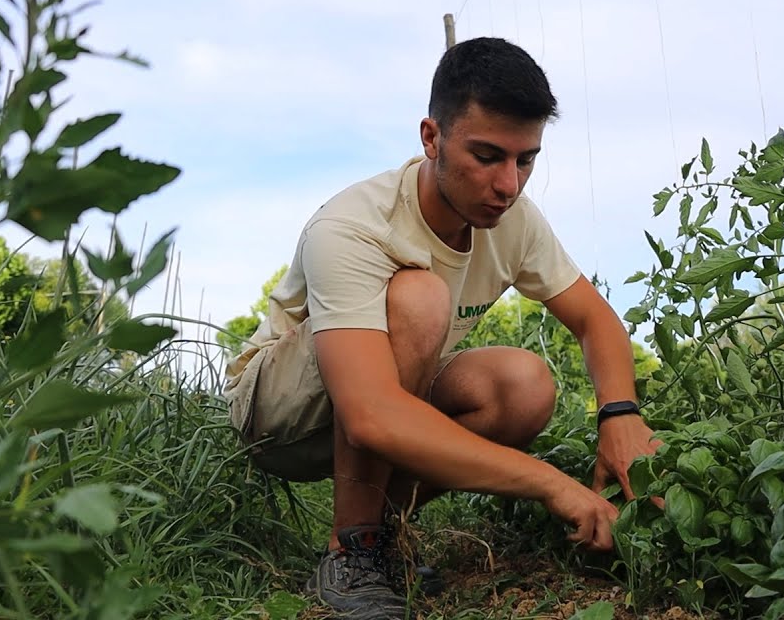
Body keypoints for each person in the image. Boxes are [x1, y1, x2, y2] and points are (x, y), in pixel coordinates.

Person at [222, 36, 661, 619]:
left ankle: (383, 531)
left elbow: (594, 318)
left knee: (523, 384)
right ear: (431, 137)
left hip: (380, 391)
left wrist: (620, 416)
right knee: (420, 295)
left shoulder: (515, 221)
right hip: (278, 414)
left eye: (525, 159)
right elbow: (371, 414)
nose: (509, 184)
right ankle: (353, 549)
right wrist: (552, 483)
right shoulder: (354, 224)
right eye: (486, 156)